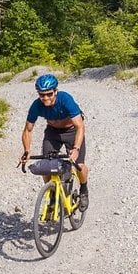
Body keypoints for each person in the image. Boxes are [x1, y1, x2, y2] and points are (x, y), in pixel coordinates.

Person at [18, 73, 89, 209]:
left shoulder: (66, 99)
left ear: (55, 91)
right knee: (46, 165)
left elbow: (80, 126)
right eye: (41, 95)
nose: (45, 98)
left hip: (72, 130)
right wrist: (26, 151)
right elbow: (27, 130)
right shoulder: (36, 105)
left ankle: (84, 190)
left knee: (79, 164)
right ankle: (51, 194)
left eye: (49, 94)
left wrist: (76, 149)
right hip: (53, 132)